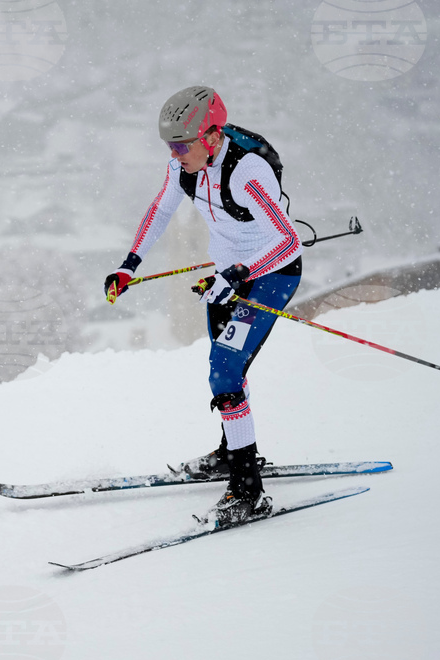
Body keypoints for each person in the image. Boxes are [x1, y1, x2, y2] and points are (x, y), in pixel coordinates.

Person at [104, 85, 303, 525]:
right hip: (225, 280)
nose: (175, 154)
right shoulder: (187, 167)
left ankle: (248, 490)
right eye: (170, 147)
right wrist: (128, 265)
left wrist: (239, 275)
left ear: (211, 136)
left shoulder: (247, 171)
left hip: (269, 275)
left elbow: (288, 241)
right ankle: (232, 451)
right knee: (227, 369)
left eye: (181, 145)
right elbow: (160, 210)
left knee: (225, 369)